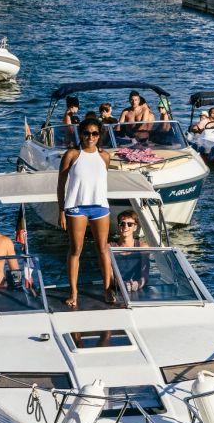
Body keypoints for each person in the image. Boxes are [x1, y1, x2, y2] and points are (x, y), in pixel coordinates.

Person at [57, 120, 113, 308]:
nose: (90, 137)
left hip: (100, 207)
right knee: (76, 250)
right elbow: (61, 184)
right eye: (87, 133)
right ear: (80, 134)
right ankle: (73, 292)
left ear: (99, 135)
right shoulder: (72, 155)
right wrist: (61, 210)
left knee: (103, 248)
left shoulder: (104, 156)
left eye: (95, 133)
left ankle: (107, 289)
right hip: (76, 207)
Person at [110, 209, 148, 292]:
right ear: (118, 226)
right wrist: (120, 285)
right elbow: (110, 275)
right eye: (122, 224)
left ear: (135, 227)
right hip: (116, 290)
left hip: (137, 290)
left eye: (130, 224)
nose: (125, 227)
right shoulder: (109, 248)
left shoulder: (143, 247)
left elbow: (145, 275)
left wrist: (138, 284)